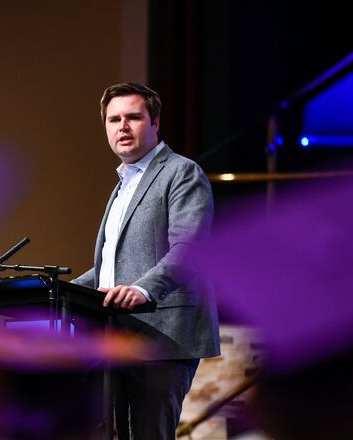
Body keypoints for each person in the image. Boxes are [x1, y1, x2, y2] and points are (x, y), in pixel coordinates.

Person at [72, 83, 220, 440]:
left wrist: (143, 288)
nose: (122, 127)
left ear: (155, 124)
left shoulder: (181, 172)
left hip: (162, 336)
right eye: (114, 119)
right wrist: (62, 292)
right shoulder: (124, 183)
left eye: (133, 117)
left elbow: (190, 249)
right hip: (117, 334)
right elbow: (113, 264)